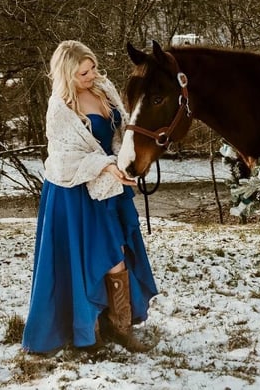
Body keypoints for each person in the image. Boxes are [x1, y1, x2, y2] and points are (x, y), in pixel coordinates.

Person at [22, 40, 158, 355]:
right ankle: (88, 332)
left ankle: (121, 327)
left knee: (118, 254)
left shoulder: (103, 90)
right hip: (73, 194)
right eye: (84, 72)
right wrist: (107, 166)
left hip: (108, 190)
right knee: (86, 260)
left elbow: (123, 129)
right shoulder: (59, 108)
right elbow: (62, 160)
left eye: (93, 67)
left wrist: (128, 161)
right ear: (67, 74)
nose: (91, 75)